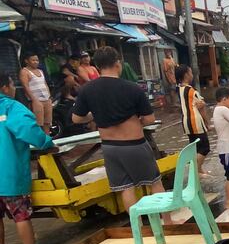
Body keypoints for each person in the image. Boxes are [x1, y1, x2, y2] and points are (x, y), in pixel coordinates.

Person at [71, 47, 168, 212]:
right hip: (134, 145)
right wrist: (137, 121)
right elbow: (149, 119)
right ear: (117, 64)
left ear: (98, 66)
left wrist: (94, 115)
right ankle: (167, 222)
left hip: (109, 147)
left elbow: (76, 118)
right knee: (154, 182)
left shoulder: (88, 89)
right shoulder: (132, 88)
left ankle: (135, 228)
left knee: (126, 187)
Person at [0, 72, 54, 244]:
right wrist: (46, 142)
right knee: (20, 215)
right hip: (9, 174)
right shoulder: (10, 107)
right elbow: (28, 130)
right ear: (6, 87)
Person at [176, 64, 211, 176]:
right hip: (195, 122)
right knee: (205, 147)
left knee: (195, 148)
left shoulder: (179, 89)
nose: (192, 74)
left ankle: (199, 170)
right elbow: (201, 108)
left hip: (186, 123)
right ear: (186, 75)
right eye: (190, 72)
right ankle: (195, 171)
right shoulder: (192, 91)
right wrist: (207, 123)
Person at [19, 53, 52, 134]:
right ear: (27, 61)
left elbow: (45, 84)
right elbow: (25, 86)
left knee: (47, 122)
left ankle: (48, 141)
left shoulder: (40, 71)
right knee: (38, 123)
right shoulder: (24, 71)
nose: (36, 62)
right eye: (33, 60)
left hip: (46, 99)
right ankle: (40, 143)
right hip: (36, 100)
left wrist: (49, 96)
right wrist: (34, 100)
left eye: (37, 60)